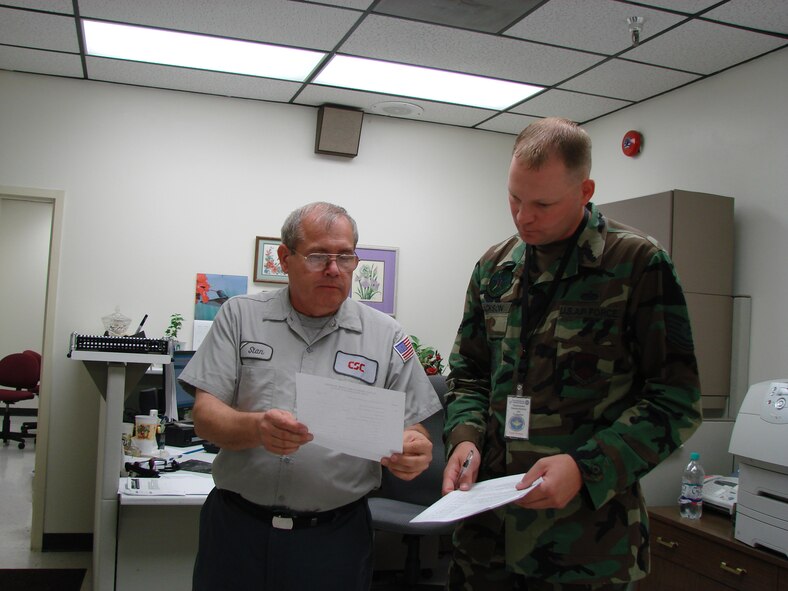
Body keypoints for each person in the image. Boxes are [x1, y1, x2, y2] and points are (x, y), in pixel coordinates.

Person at [441, 117, 702, 590]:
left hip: (585, 547)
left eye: (542, 203)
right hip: (486, 538)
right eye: (514, 198)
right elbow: (469, 373)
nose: (523, 217)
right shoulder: (494, 267)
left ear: (585, 191)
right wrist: (464, 438)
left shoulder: (637, 264)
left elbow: (675, 400)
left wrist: (587, 467)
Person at [180, 201, 443, 591]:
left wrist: (414, 447)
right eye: (318, 255)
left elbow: (414, 427)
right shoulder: (240, 316)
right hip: (238, 531)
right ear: (285, 258)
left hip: (334, 540)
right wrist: (257, 428)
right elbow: (205, 415)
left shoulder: (386, 335)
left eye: (346, 256)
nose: (334, 269)